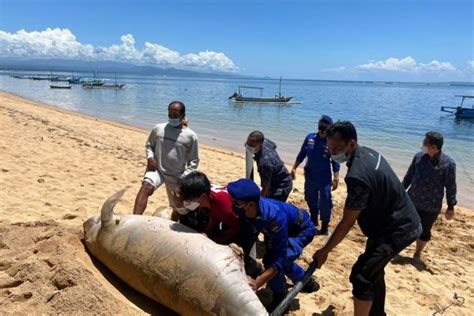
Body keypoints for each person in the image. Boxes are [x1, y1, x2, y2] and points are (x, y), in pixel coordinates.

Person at [312, 121, 421, 316]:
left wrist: (325, 250)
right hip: (396, 220)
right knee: (374, 272)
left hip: (397, 229)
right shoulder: (369, 152)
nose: (332, 151)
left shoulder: (356, 176)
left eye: (336, 147)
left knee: (361, 276)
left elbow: (347, 221)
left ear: (351, 143)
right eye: (329, 147)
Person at [227, 178, 319, 311]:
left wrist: (258, 282)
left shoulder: (274, 217)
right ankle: (305, 281)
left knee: (274, 261)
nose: (233, 204)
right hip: (277, 232)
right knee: (277, 261)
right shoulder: (246, 212)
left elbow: (280, 258)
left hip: (301, 230)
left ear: (251, 204)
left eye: (236, 202)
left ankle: (281, 297)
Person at [133, 101, 199, 220]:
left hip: (177, 175)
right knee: (145, 187)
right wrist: (150, 157)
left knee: (178, 207)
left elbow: (194, 161)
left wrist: (183, 177)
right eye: (170, 113)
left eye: (175, 114)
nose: (172, 117)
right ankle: (134, 220)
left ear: (183, 116)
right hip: (157, 169)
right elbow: (149, 145)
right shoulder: (158, 128)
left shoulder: (190, 136)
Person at [402, 131, 456, 263]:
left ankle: (417, 254)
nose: (422, 145)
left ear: (434, 147)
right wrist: (400, 192)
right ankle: (398, 250)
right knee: (405, 226)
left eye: (425, 143)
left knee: (425, 231)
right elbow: (408, 176)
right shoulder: (418, 157)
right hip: (412, 200)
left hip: (431, 205)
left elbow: (451, 186)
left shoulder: (448, 164)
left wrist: (450, 206)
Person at [291, 115, 340, 234]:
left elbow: (335, 161)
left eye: (325, 124)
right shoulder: (310, 138)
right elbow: (302, 153)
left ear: (330, 127)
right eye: (321, 123)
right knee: (310, 197)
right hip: (310, 175)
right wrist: (294, 168)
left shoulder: (331, 142)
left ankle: (324, 226)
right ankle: (314, 218)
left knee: (325, 200)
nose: (322, 126)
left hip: (324, 178)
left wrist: (336, 178)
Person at [178, 171, 240, 244]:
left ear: (203, 196)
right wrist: (206, 234)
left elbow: (235, 228)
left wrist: (213, 242)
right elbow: (214, 218)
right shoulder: (205, 198)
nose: (186, 202)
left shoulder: (223, 205)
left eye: (189, 199)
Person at [245, 131, 293, 201]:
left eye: (252, 146)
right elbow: (274, 145)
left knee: (273, 206)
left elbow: (265, 187)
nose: (248, 147)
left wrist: (260, 202)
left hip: (281, 185)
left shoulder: (265, 163)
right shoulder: (266, 142)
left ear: (260, 145)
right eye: (248, 143)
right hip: (275, 173)